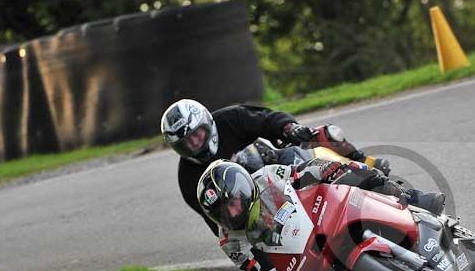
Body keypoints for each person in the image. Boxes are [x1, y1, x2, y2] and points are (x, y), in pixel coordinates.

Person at [196, 159, 446, 271]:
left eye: (231, 202)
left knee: (357, 174)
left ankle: (412, 199)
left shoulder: (266, 177)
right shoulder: (230, 241)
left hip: (315, 218)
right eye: (222, 211)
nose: (231, 212)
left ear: (241, 187)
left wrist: (327, 170)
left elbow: (302, 172)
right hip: (299, 257)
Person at [160, 98, 387, 235]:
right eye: (186, 143)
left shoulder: (230, 119)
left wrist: (289, 128)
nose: (195, 144)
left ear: (206, 124)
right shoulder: (188, 180)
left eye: (197, 135)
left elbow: (267, 119)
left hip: (282, 162)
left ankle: (364, 166)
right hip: (257, 205)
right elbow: (218, 223)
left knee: (324, 135)